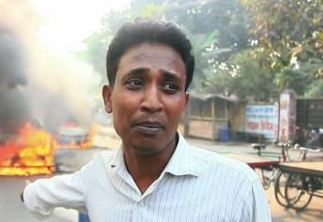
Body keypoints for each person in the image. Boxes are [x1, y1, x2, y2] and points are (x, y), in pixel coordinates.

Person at [21, 19, 272, 222]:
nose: (152, 102)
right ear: (108, 99)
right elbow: (37, 195)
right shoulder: (95, 176)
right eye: (135, 82)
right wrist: (27, 193)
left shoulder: (238, 187)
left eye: (170, 86)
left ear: (184, 103)